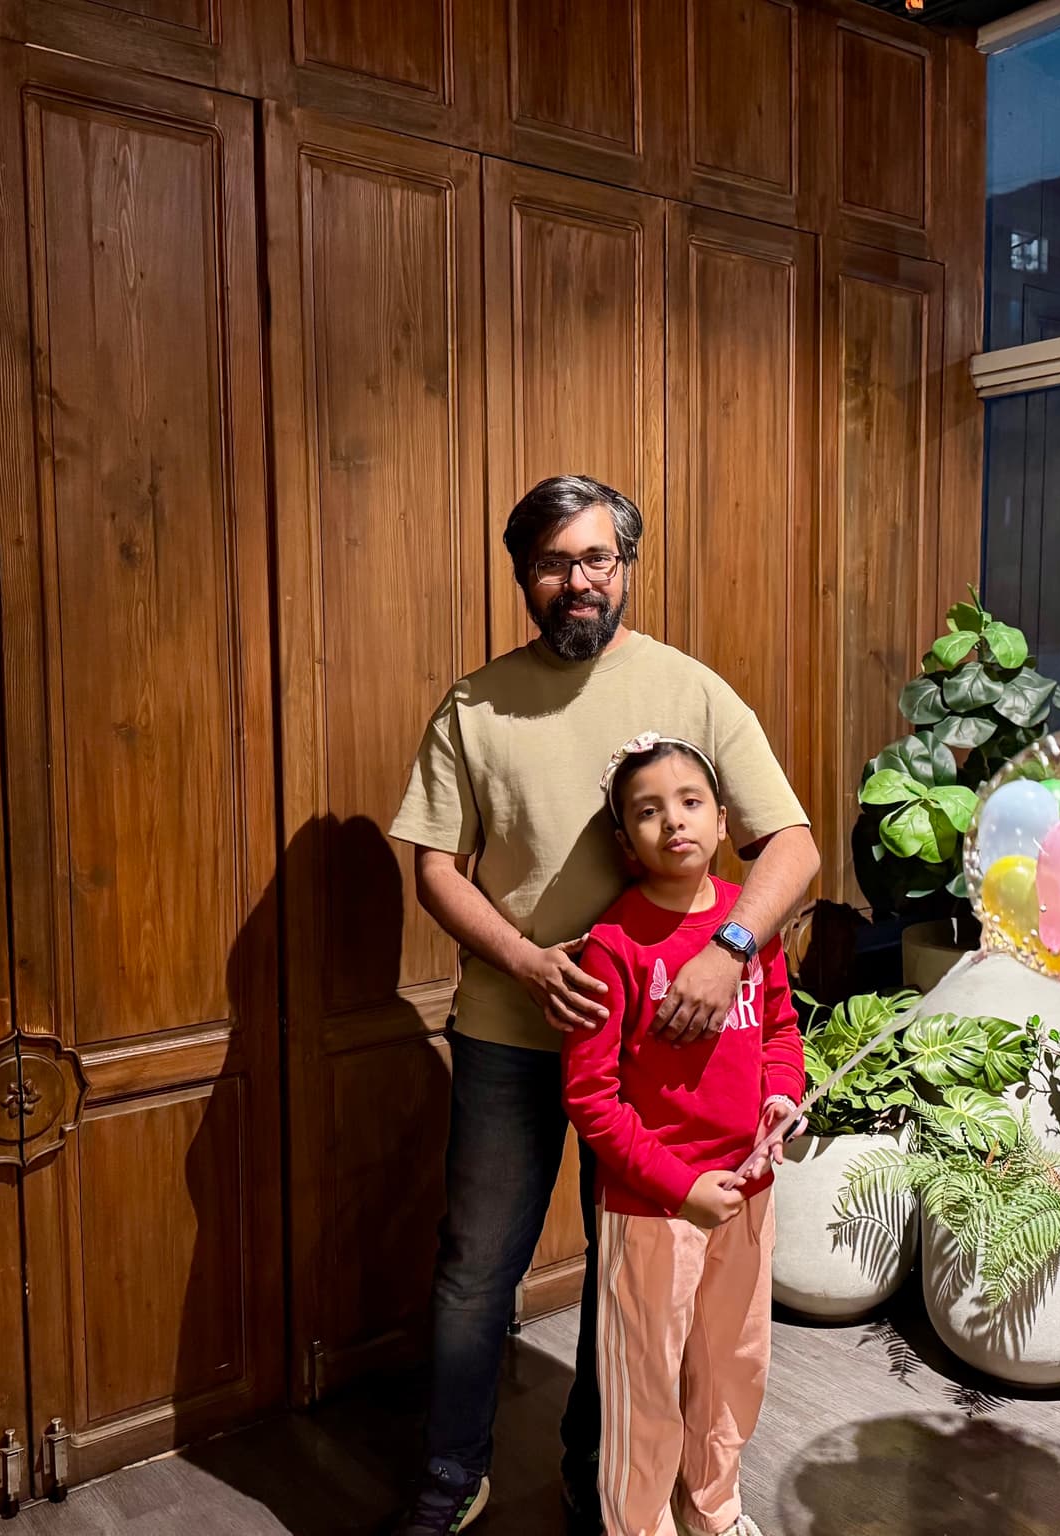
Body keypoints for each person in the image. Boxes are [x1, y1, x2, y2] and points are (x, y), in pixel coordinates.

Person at [387, 476, 819, 1535]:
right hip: (509, 1033)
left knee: (626, 1275)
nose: (577, 581)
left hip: (663, 1050)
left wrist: (728, 949)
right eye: (552, 563)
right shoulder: (475, 706)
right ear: (522, 576)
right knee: (475, 1267)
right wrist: (526, 962)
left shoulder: (693, 690)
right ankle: (451, 1478)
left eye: (596, 559)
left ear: (624, 565)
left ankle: (601, 1478)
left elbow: (792, 846)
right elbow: (436, 868)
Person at [563, 735, 804, 1536]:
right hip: (652, 1208)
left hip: (748, 1192)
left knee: (734, 1367)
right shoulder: (613, 946)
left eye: (691, 802)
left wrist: (780, 1096)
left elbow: (779, 1032)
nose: (674, 821)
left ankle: (713, 1510)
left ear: (723, 819)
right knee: (645, 1385)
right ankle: (640, 1524)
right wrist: (680, 1187)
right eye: (649, 810)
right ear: (624, 841)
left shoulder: (751, 925)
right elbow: (591, 1098)